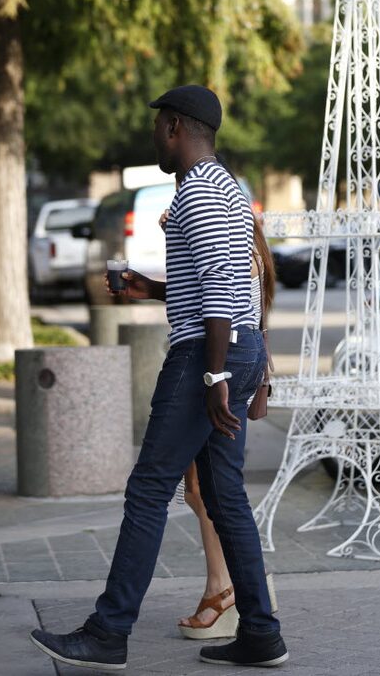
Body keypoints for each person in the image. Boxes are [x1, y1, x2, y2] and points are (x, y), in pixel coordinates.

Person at [30, 84, 288, 670]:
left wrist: (217, 375)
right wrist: (151, 289)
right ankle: (262, 634)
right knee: (225, 498)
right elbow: (221, 284)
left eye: (157, 128)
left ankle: (108, 632)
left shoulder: (199, 193)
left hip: (206, 355)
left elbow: (222, 292)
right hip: (232, 349)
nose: (154, 138)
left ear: (175, 127)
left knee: (149, 489)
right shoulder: (227, 188)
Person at [176, 212, 277, 640]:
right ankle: (225, 588)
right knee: (204, 490)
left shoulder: (236, 243)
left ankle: (226, 590)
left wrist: (216, 376)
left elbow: (220, 304)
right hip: (228, 368)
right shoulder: (249, 244)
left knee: (213, 490)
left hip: (220, 370)